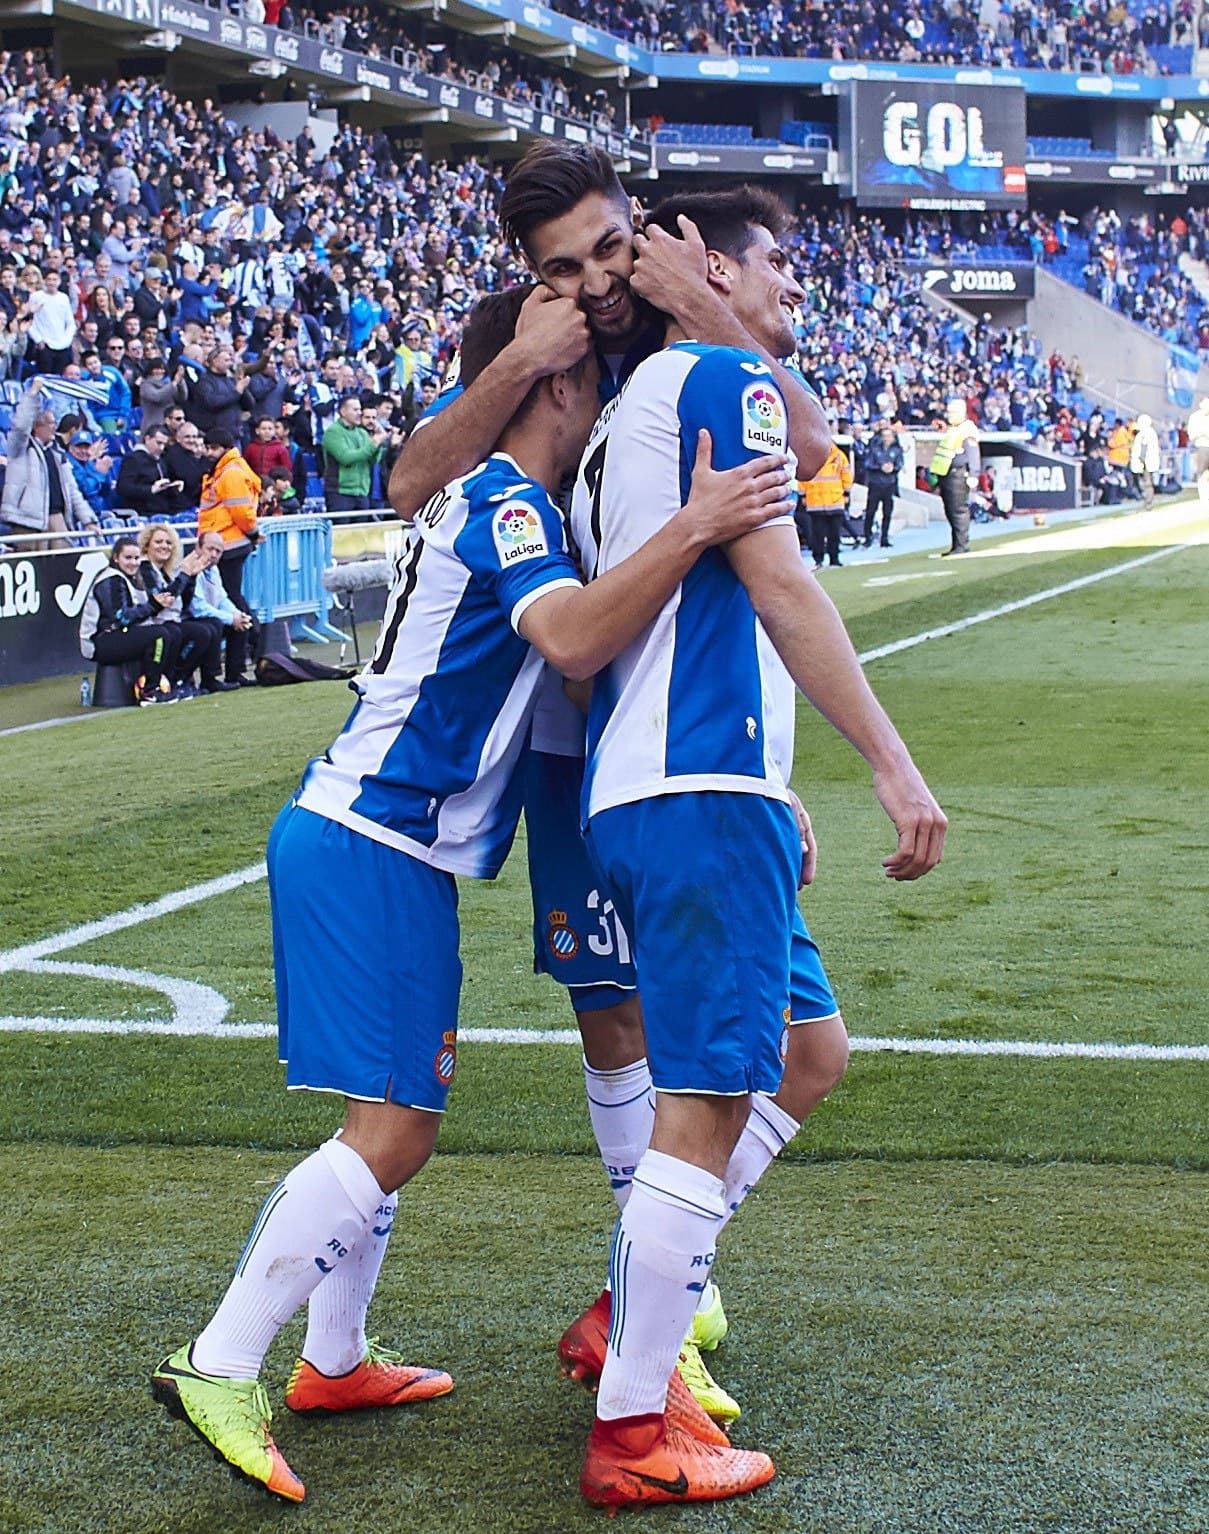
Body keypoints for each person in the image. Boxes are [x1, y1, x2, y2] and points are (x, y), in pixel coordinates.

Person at [150, 283, 793, 1506]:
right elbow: (574, 641)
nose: (610, 393)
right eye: (595, 374)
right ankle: (219, 1359)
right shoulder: (506, 505)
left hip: (386, 847)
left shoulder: (499, 500)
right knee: (394, 1130)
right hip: (373, 842)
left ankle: (331, 1360)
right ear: (552, 380)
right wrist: (701, 518)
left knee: (392, 1111)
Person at [396, 139, 833, 1427]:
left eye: (605, 248)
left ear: (638, 225)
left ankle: (642, 1291)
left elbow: (805, 445)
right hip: (573, 749)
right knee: (622, 1026)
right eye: (560, 268)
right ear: (528, 274)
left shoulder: (674, 334)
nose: (592, 284)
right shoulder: (546, 351)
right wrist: (521, 364)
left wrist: (705, 310)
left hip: (689, 750)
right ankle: (655, 1325)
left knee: (803, 1051)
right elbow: (419, 486)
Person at [567, 186, 945, 1512]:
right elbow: (779, 578)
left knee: (806, 1053)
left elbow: (804, 450)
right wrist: (891, 766)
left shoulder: (638, 408)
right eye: (774, 260)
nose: (795, 279)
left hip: (675, 780)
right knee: (706, 1102)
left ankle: (631, 1316)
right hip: (693, 778)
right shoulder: (717, 373)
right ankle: (632, 1422)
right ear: (713, 264)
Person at [78, 535, 180, 705]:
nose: (133, 563)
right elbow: (121, 618)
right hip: (101, 640)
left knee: (172, 632)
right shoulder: (110, 579)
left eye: (136, 558)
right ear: (116, 558)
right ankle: (149, 692)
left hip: (118, 634)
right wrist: (154, 605)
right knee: (159, 635)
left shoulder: (130, 578)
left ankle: (170, 683)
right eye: (128, 558)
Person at [0, 380, 98, 549]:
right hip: (27, 521)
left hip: (57, 518)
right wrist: (33, 393)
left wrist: (88, 520)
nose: (55, 427)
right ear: (37, 426)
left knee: (62, 567)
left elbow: (72, 490)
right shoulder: (20, 448)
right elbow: (20, 425)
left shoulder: (58, 453)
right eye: (51, 423)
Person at [137, 521, 223, 696]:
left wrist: (191, 578)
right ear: (147, 545)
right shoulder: (145, 568)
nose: (165, 546)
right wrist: (185, 575)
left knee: (211, 626)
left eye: (168, 543)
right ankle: (170, 679)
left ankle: (185, 678)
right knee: (193, 633)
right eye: (159, 542)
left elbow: (183, 601)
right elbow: (165, 598)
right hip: (153, 622)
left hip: (171, 620)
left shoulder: (164, 570)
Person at [198, 427, 260, 613]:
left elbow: (241, 511)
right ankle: (249, 635)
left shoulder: (230, 473)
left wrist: (253, 533)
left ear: (225, 448)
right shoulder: (227, 470)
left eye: (213, 448)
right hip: (229, 540)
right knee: (230, 594)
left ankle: (252, 635)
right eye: (207, 448)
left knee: (230, 595)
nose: (208, 453)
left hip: (228, 542)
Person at [187, 529, 256, 688]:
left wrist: (237, 615)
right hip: (189, 619)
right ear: (198, 547)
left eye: (218, 551)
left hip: (206, 617)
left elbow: (221, 598)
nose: (213, 554)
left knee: (242, 621)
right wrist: (231, 618)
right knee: (216, 624)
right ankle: (209, 679)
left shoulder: (213, 569)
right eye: (209, 549)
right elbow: (198, 608)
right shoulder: (190, 567)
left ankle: (234, 674)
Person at [929, 399, 981, 556]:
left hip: (957, 474)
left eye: (952, 413)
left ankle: (961, 544)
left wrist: (973, 474)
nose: (949, 415)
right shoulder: (954, 429)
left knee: (958, 511)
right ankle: (956, 544)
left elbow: (972, 453)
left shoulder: (967, 430)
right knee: (951, 511)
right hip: (947, 474)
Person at [322, 394, 385, 515]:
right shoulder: (333, 432)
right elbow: (346, 457)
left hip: (362, 493)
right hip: (340, 494)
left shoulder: (361, 432)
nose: (359, 413)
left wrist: (378, 446)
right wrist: (373, 444)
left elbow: (372, 460)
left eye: (360, 409)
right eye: (355, 409)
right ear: (343, 411)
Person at [800, 439, 853, 569]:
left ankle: (834, 558)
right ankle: (818, 559)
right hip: (816, 501)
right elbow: (802, 477)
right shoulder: (810, 457)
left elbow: (847, 474)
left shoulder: (839, 457)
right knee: (818, 534)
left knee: (834, 533)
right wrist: (803, 495)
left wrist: (846, 492)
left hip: (834, 500)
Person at [115, 423, 180, 520]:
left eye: (164, 444)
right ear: (147, 439)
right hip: (143, 512)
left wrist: (173, 488)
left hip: (163, 510)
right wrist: (150, 489)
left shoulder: (161, 460)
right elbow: (123, 487)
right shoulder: (133, 459)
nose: (161, 448)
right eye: (159, 443)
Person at [863, 422, 902, 548]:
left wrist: (893, 468)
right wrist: (880, 467)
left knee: (887, 512)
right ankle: (867, 537)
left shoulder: (896, 450)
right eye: (884, 436)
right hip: (875, 483)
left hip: (889, 484)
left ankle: (884, 538)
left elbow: (900, 463)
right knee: (870, 511)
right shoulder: (875, 448)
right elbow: (867, 464)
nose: (886, 438)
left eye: (888, 436)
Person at [1129, 413, 1161, 509]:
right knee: (1147, 482)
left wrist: (1141, 461)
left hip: (1145, 462)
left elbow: (1143, 448)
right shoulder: (1151, 432)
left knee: (1147, 483)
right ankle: (1148, 501)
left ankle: (1148, 502)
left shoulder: (1144, 434)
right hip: (1148, 461)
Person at [1186, 395, 1209, 507]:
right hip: (1202, 446)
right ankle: (1204, 497)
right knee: (1202, 473)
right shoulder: (1195, 417)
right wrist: (1202, 433)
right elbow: (1191, 434)